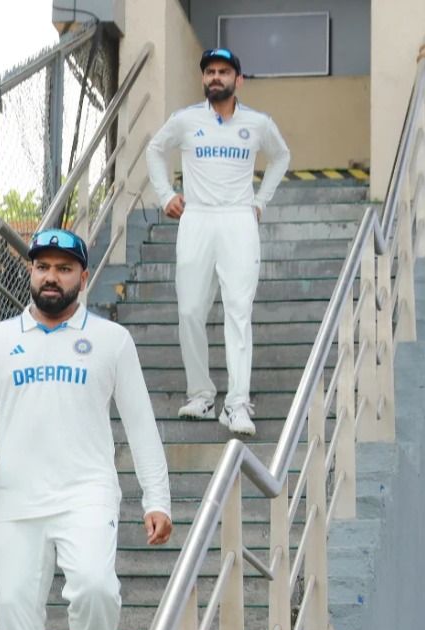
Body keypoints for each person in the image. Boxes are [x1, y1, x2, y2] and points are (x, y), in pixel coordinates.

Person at [0, 229, 173, 630]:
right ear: (31, 273)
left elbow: (140, 424)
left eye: (64, 268)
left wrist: (157, 498)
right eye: (43, 267)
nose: (51, 277)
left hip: (86, 495)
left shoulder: (112, 341)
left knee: (97, 589)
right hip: (14, 499)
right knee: (14, 613)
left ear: (83, 277)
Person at [145, 47, 291, 437]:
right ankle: (201, 394)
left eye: (223, 71)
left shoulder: (258, 123)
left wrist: (260, 202)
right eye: (209, 71)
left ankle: (237, 404)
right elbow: (155, 150)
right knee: (191, 310)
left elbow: (281, 156)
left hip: (238, 220)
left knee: (238, 311)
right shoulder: (185, 120)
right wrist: (164, 194)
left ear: (237, 80)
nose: (215, 77)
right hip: (196, 219)